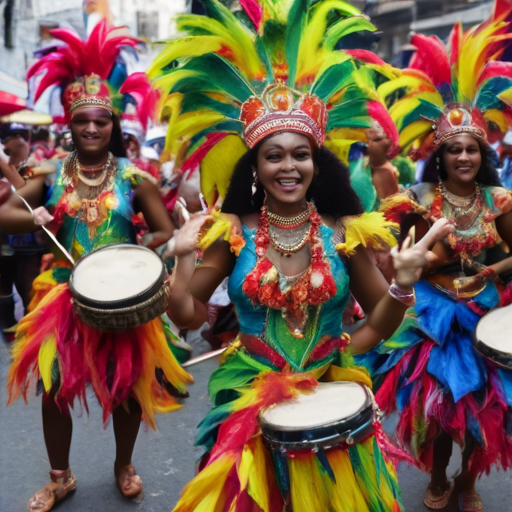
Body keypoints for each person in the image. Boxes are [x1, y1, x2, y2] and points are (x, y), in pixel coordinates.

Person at [151, 1, 451, 510]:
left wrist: (400, 285)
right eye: (274, 155)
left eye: (300, 154)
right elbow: (187, 315)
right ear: (255, 167)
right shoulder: (232, 234)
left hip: (332, 392)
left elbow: (374, 328)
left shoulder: (345, 235)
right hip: (249, 395)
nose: (288, 166)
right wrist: (180, 260)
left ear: (318, 162)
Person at [0, 22, 193, 512]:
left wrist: (145, 257)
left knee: (127, 389)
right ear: (69, 122)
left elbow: (164, 232)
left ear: (114, 125)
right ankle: (60, 477)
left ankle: (123, 464)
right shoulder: (48, 173)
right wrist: (33, 212)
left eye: (100, 121)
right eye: (82, 120)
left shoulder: (136, 177)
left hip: (124, 296)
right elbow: (3, 215)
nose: (91, 128)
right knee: (54, 391)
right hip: (64, 298)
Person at [368, 16, 512, 512]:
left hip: (485, 315)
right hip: (431, 316)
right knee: (435, 410)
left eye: (473, 148)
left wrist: (493, 272)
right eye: (455, 149)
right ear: (441, 154)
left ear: (483, 153)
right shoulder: (419, 196)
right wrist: (432, 262)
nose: (465, 156)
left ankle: (469, 481)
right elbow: (405, 259)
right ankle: (435, 474)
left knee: (483, 410)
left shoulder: (499, 200)